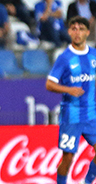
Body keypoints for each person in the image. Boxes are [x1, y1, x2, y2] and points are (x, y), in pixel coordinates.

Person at [46, 16, 96, 184]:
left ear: (87, 32)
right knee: (67, 159)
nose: (77, 32)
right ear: (69, 32)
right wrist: (69, 89)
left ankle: (87, 181)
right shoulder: (65, 58)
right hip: (71, 116)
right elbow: (49, 84)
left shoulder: (94, 55)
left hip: (91, 113)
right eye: (74, 29)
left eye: (81, 29)